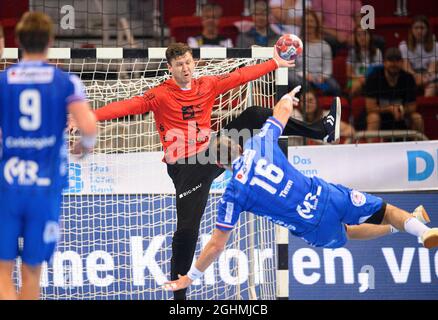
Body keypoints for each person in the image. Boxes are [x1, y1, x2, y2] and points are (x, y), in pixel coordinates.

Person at [90, 42, 341, 300]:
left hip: (212, 151)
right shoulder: (160, 95)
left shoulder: (206, 85)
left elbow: (240, 76)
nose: (185, 68)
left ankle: (321, 131)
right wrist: (89, 117)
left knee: (255, 115)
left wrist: (275, 63)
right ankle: (179, 299)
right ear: (170, 68)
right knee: (187, 230)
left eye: (188, 62)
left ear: (193, 62)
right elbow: (127, 106)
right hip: (186, 167)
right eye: (179, 65)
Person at [163, 86, 438, 293]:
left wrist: (190, 277)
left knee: (348, 233)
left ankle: (400, 227)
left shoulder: (232, 195)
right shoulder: (261, 144)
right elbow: (280, 113)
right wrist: (289, 96)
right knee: (387, 211)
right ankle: (421, 230)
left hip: (310, 226)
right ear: (238, 146)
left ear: (221, 165)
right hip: (324, 196)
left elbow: (215, 245)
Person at [0, 12, 97, 300]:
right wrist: (84, 146)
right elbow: (89, 126)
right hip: (46, 188)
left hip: (9, 185)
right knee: (33, 272)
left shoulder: (4, 80)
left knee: (3, 271)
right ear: (50, 42)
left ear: (18, 42)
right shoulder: (67, 82)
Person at [363, 47, 424, 135]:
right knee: (373, 118)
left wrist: (401, 109)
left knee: (417, 117)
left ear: (402, 62)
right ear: (384, 62)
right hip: (380, 116)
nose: (394, 64)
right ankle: (370, 147)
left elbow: (413, 106)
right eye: (390, 60)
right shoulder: (374, 78)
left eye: (397, 60)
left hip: (400, 117)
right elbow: (370, 108)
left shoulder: (408, 78)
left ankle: (418, 146)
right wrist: (390, 108)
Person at [289, 10, 341, 96]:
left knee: (335, 87)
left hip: (320, 78)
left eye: (311, 21)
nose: (309, 24)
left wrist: (322, 77)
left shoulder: (325, 46)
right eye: (306, 21)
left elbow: (328, 70)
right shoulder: (295, 44)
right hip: (301, 77)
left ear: (316, 24)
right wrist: (303, 74)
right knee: (297, 81)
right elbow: (291, 68)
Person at [399, 15, 438, 97]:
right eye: (416, 28)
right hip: (411, 75)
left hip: (429, 76)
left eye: (422, 28)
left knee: (432, 85)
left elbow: (433, 68)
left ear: (427, 30)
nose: (419, 31)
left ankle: (426, 107)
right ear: (411, 30)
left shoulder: (436, 46)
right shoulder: (403, 45)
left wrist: (425, 78)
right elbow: (406, 67)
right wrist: (416, 77)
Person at [347, 27, 383, 96]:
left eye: (364, 34)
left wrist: (367, 79)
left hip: (372, 80)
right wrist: (360, 78)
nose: (362, 37)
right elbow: (348, 74)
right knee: (355, 85)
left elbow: (379, 72)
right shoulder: (352, 53)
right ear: (355, 38)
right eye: (359, 35)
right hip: (355, 80)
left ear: (370, 36)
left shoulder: (377, 52)